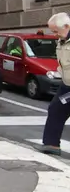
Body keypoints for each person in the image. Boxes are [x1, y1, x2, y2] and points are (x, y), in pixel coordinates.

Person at [39, 12, 70, 155]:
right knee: (55, 109)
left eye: (56, 31)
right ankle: (51, 145)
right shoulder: (61, 41)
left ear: (67, 26)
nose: (54, 35)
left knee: (57, 109)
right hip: (66, 84)